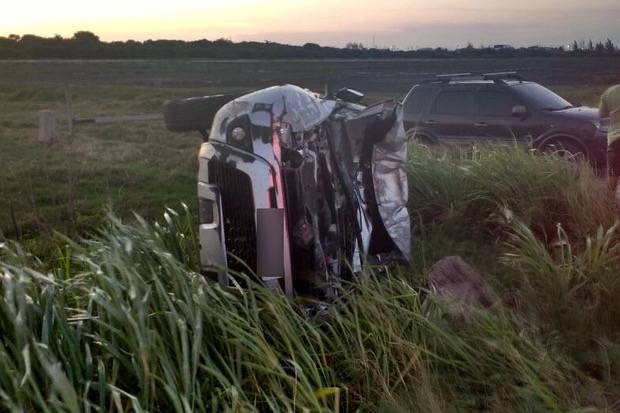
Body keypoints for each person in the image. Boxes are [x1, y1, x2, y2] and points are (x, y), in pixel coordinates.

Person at [600, 83, 620, 194]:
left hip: (616, 139)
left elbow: (601, 115)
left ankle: (608, 205)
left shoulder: (609, 92)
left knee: (613, 174)